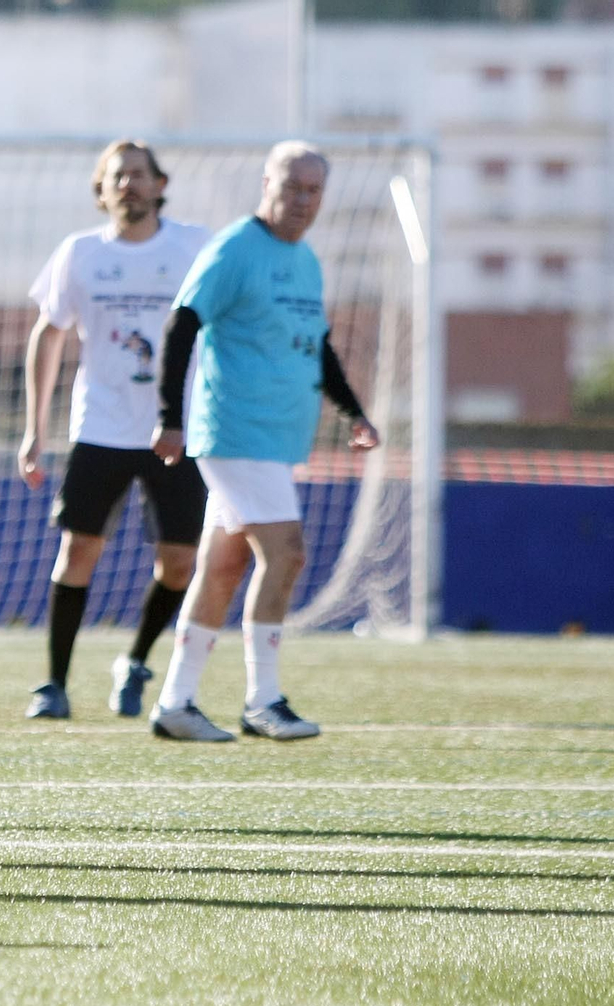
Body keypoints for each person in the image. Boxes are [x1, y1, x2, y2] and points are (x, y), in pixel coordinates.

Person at [147, 141, 379, 742]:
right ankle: (263, 700)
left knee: (223, 567)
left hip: (275, 437)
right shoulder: (233, 249)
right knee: (288, 554)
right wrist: (170, 415)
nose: (302, 200)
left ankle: (175, 702)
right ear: (266, 184)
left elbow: (318, 345)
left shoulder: (306, 261)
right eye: (291, 186)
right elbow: (182, 324)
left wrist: (353, 411)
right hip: (234, 431)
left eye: (313, 190)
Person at [18, 140, 211, 721]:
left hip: (177, 431)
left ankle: (135, 661)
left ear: (159, 184)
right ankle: (53, 684)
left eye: (138, 174)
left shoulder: (194, 246)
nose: (128, 184)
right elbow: (48, 335)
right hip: (99, 426)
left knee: (180, 564)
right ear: (101, 191)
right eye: (116, 176)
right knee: (78, 551)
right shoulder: (79, 253)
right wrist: (34, 430)